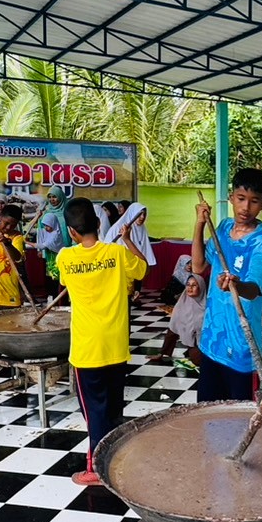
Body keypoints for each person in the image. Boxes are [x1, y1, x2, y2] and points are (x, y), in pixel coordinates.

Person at [57, 197, 149, 485]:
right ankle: (114, 458)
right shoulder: (117, 253)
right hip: (116, 345)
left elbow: (64, 282)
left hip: (87, 350)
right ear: (99, 223)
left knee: (94, 412)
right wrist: (127, 240)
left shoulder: (65, 258)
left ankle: (96, 469)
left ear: (71, 231)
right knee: (112, 408)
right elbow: (142, 269)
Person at [192, 169, 262, 401]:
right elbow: (198, 266)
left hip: (241, 345)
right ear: (231, 198)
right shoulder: (223, 228)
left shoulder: (261, 243)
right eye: (241, 198)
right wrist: (199, 224)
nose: (245, 207)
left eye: (254, 201)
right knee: (207, 409)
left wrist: (236, 286)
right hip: (213, 339)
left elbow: (254, 290)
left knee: (239, 413)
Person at [148, 268, 207, 366]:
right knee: (197, 360)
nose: (190, 288)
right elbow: (172, 330)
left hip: (207, 346)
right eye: (188, 285)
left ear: (201, 287)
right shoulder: (181, 306)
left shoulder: (208, 307)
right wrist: (161, 354)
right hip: (193, 344)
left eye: (194, 285)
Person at [32, 185, 68, 294]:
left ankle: (65, 299)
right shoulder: (46, 214)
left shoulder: (67, 213)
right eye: (50, 197)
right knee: (52, 274)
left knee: (65, 274)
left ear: (60, 197)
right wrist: (40, 249)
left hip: (65, 248)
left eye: (55, 197)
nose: (52, 199)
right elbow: (41, 231)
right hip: (50, 250)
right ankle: (53, 298)